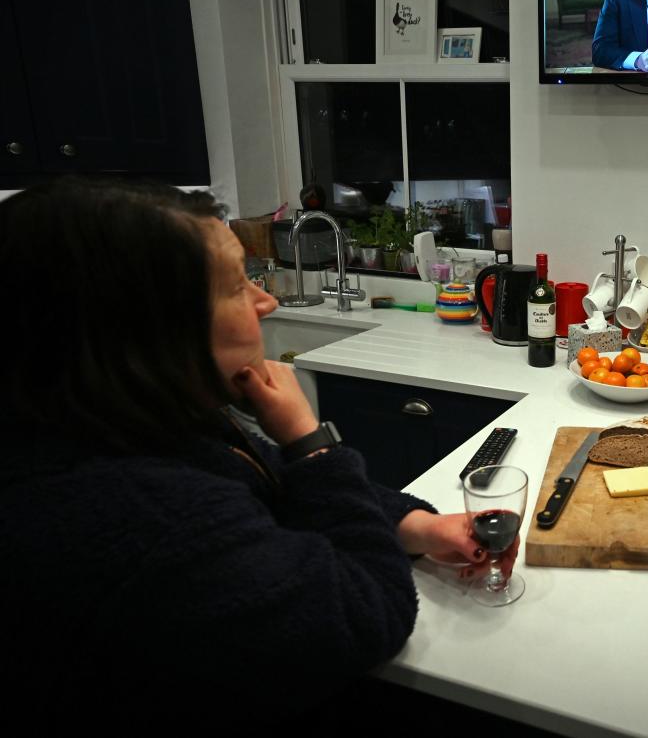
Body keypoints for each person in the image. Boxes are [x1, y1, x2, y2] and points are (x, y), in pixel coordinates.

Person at [0, 180, 516, 730]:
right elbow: (365, 615)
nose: (265, 300)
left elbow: (280, 487)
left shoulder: (125, 423)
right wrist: (310, 441)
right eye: (236, 286)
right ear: (144, 329)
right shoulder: (143, 516)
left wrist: (416, 525)